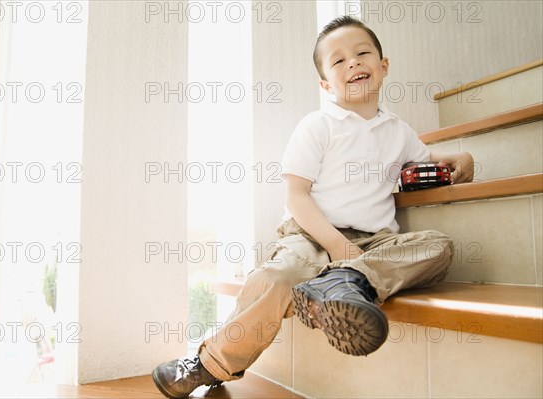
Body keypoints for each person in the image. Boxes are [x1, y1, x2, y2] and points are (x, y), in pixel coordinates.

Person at [152, 15, 474, 399]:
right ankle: (210, 363)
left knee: (437, 245)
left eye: (362, 53)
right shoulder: (318, 125)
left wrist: (461, 156)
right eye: (338, 61)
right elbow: (296, 197)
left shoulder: (398, 131)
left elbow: (426, 159)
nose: (352, 63)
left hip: (374, 244)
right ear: (325, 83)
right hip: (312, 236)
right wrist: (337, 246)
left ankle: (348, 281)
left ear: (383, 67)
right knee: (275, 278)